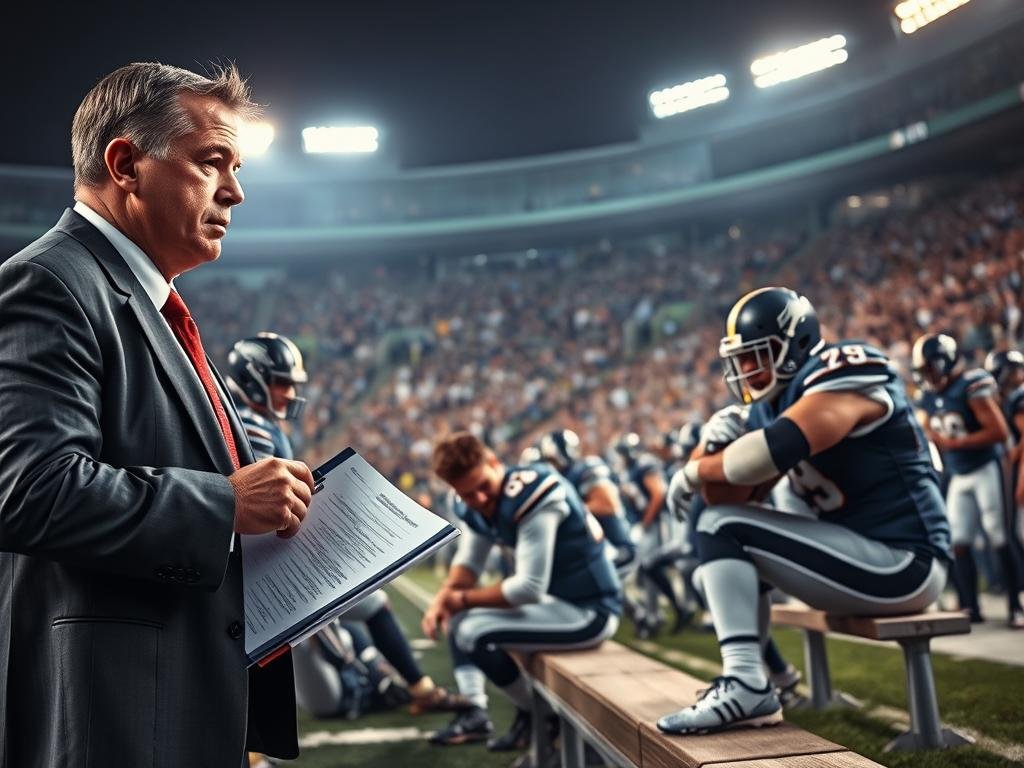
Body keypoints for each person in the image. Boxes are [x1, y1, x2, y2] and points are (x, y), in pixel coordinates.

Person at [0, 62, 316, 767]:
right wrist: (223, 505)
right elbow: (28, 491)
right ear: (126, 164)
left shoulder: (148, 302)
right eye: (212, 163)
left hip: (176, 693)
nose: (236, 190)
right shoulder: (51, 283)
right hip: (114, 713)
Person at [658, 287, 950, 734]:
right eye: (742, 359)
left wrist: (694, 469)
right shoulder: (773, 405)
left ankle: (746, 683)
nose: (748, 369)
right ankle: (763, 678)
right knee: (719, 542)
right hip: (856, 555)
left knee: (724, 530)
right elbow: (728, 497)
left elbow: (772, 451)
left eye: (759, 355)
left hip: (906, 561)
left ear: (795, 345)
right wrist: (711, 443)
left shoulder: (842, 370)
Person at [225, 333, 473, 717]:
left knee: (356, 608)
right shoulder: (251, 425)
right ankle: (380, 677)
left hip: (262, 554)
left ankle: (396, 681)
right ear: (253, 378)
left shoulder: (254, 421)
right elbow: (267, 499)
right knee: (331, 625)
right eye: (282, 381)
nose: (290, 392)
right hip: (261, 563)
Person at [423, 432, 621, 752]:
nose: (479, 500)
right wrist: (443, 599)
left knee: (471, 630)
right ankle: (480, 710)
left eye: (483, 487)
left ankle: (540, 716)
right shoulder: (472, 501)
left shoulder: (531, 491)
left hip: (588, 610)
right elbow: (468, 564)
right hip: (553, 604)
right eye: (467, 494)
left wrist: (459, 599)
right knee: (460, 619)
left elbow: (528, 587)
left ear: (494, 463)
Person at [913, 335, 1023, 627]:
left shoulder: (971, 385)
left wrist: (956, 444)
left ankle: (1016, 605)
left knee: (1000, 535)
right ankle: (970, 605)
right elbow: (926, 428)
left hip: (986, 466)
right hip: (959, 473)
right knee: (958, 541)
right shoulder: (928, 395)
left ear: (945, 361)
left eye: (930, 368)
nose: (928, 376)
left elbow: (998, 431)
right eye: (923, 371)